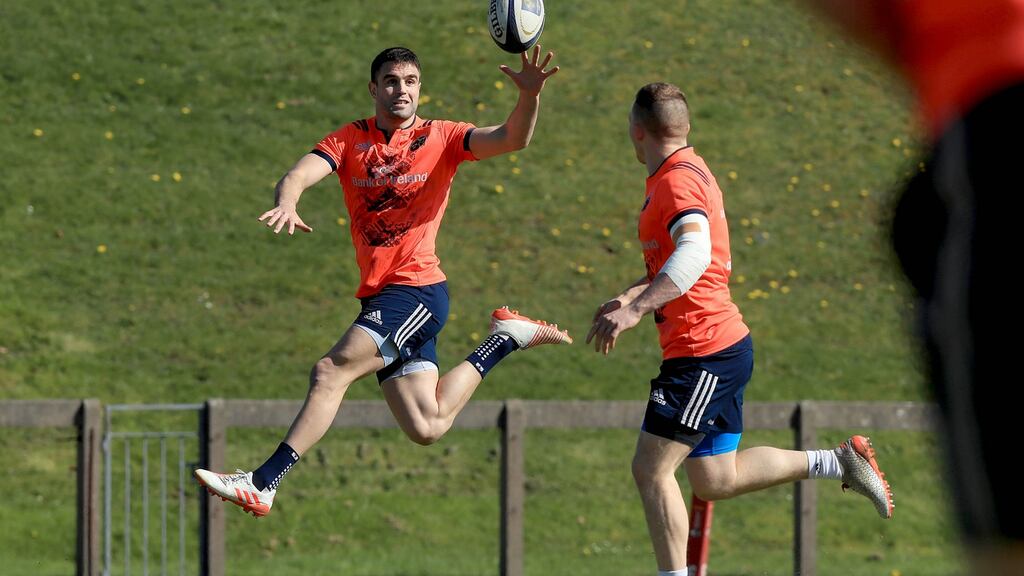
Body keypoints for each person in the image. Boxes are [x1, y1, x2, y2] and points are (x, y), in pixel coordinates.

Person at [194, 46, 570, 517]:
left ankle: (263, 482)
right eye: (391, 81)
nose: (402, 90)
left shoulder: (444, 136)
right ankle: (504, 340)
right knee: (427, 425)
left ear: (420, 88)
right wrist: (288, 201)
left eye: (411, 81)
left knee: (331, 372)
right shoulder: (351, 140)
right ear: (374, 89)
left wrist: (530, 96)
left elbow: (513, 138)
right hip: (386, 297)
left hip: (416, 292)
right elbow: (299, 173)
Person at [587, 82, 893, 576]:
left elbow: (694, 255)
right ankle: (838, 462)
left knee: (651, 468)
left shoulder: (676, 182)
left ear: (637, 130)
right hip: (719, 348)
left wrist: (636, 309)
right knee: (714, 478)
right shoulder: (688, 170)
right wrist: (629, 295)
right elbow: (678, 262)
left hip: (702, 351)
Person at [803, 1, 1024, 571]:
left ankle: (831, 463)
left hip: (997, 107)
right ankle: (832, 462)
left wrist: (946, 71)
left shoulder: (682, 186)